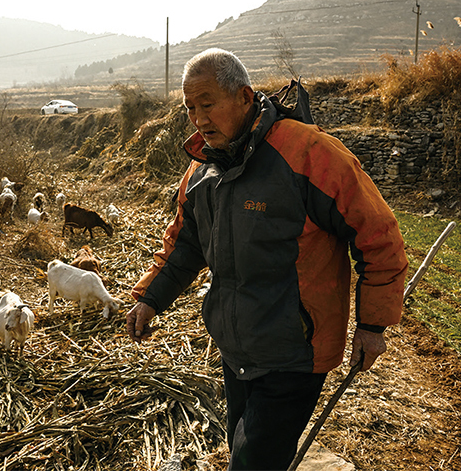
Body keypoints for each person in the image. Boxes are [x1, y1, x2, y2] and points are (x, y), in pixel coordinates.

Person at [126, 48, 408, 471]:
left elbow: (377, 234)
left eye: (207, 104)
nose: (199, 119)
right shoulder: (203, 170)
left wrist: (372, 326)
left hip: (294, 348)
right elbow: (185, 243)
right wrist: (151, 298)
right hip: (236, 347)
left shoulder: (309, 154)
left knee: (252, 460)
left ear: (243, 97)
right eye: (189, 108)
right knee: (245, 444)